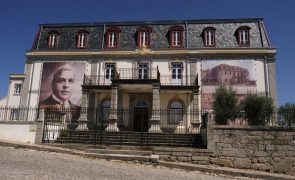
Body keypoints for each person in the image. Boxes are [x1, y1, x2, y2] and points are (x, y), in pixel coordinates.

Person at [39, 64, 80, 129]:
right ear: (53, 84)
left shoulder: (78, 109)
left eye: (70, 81)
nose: (66, 85)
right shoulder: (41, 104)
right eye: (61, 80)